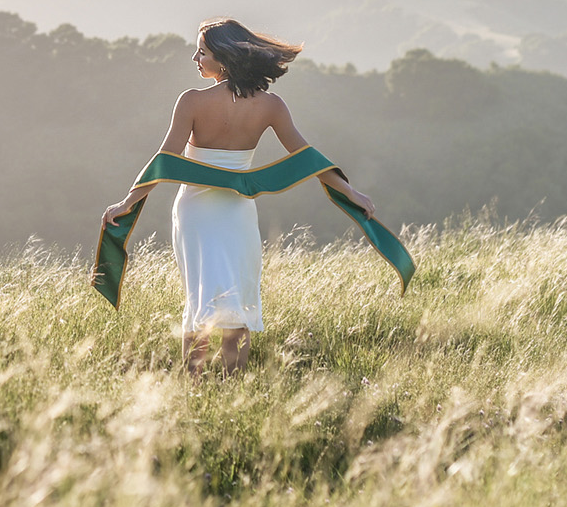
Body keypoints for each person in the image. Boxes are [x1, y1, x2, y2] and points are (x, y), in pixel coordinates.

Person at [101, 19, 375, 375]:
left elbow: (164, 161)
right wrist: (351, 192)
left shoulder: (192, 102)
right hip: (237, 212)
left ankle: (194, 387)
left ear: (225, 58)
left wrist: (127, 203)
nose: (194, 58)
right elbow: (308, 158)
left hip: (195, 211)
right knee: (238, 301)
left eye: (202, 52)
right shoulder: (271, 105)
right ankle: (233, 387)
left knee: (199, 298)